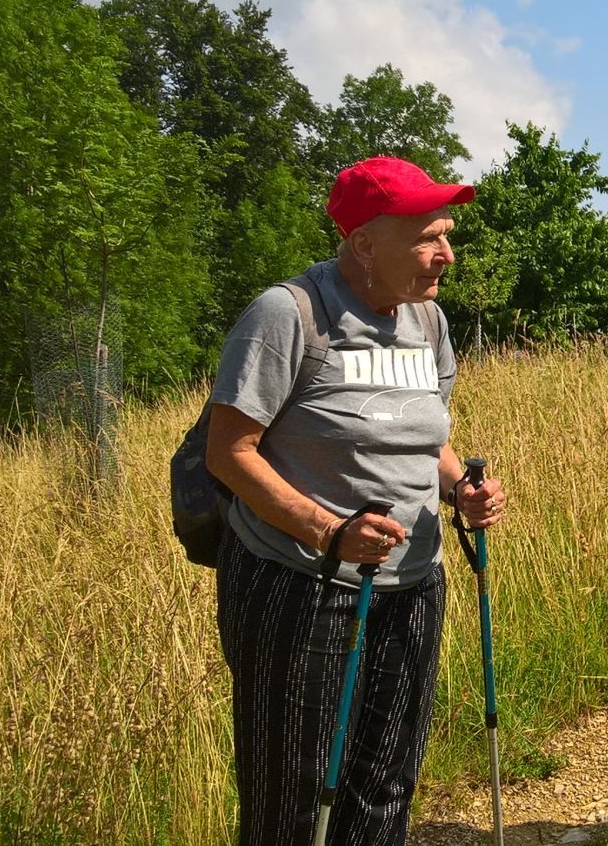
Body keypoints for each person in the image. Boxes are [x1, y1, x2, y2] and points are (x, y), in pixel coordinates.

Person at [206, 155, 507, 846]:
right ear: (364, 243)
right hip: (301, 582)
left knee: (387, 781)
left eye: (448, 235)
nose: (446, 256)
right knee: (295, 793)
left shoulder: (426, 323)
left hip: (412, 582)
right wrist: (328, 530)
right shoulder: (288, 315)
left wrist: (461, 488)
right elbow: (230, 452)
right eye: (428, 238)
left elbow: (424, 433)